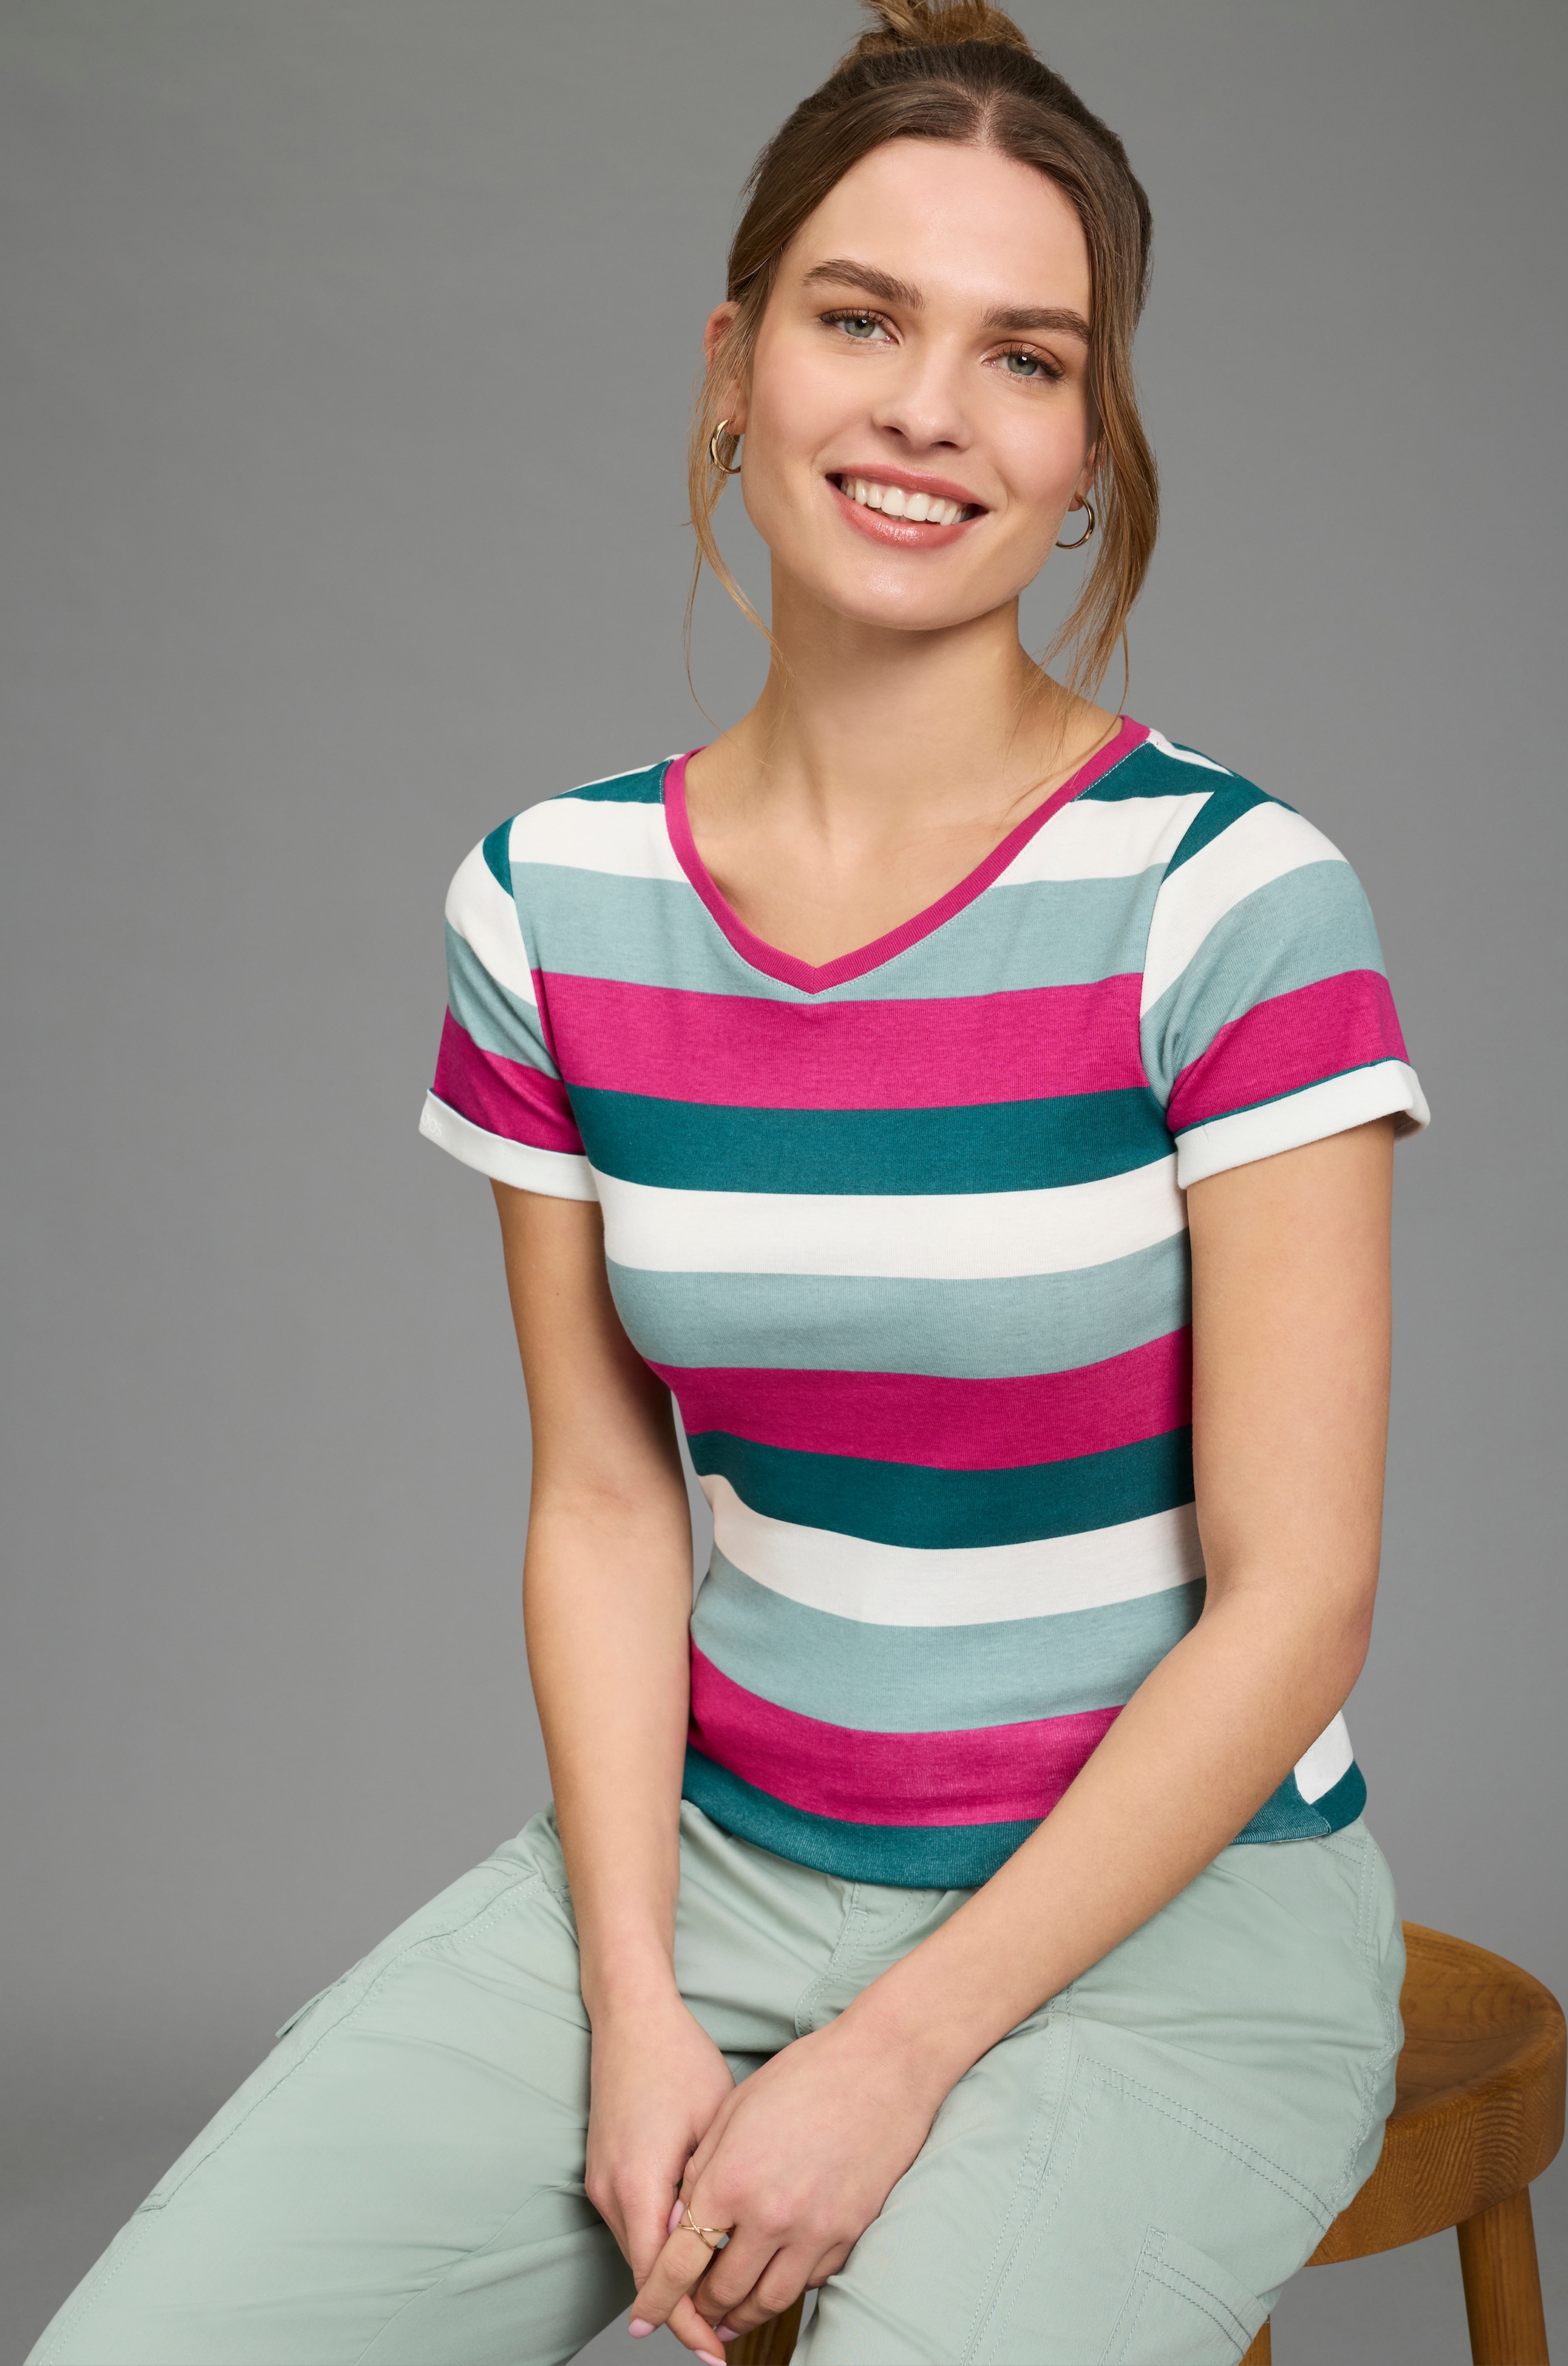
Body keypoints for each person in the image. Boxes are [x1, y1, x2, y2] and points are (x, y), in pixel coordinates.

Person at [29, 5, 1430, 2362]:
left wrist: (895, 2056)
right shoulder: (548, 903)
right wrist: (638, 2001)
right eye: (860, 319)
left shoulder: (1229, 900)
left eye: (1024, 357)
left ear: (1089, 449)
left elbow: (1299, 1600)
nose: (928, 410)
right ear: (731, 368)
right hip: (714, 1879)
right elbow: (603, 1506)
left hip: (1171, 1922)